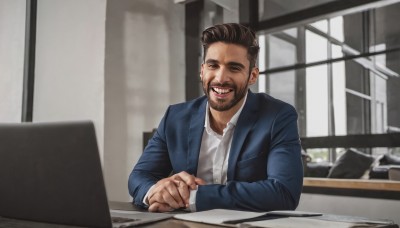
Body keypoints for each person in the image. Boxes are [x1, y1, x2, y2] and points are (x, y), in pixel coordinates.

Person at [128, 23, 303, 212]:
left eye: (234, 68)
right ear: (202, 70)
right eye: (213, 65)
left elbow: (284, 193)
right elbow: (140, 176)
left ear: (252, 76)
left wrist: (191, 197)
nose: (220, 78)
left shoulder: (278, 116)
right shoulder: (175, 117)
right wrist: (157, 191)